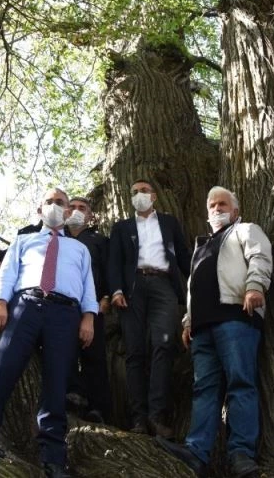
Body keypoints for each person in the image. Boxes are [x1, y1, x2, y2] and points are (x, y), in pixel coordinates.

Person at [0, 188, 97, 478]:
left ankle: (53, 458)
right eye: (48, 202)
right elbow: (7, 273)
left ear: (68, 212)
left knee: (57, 382)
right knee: (3, 370)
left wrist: (88, 319)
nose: (54, 205)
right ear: (40, 210)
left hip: (65, 314)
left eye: (59, 202)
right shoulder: (23, 241)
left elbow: (88, 287)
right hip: (26, 306)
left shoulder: (79, 249)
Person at [156, 186, 272, 478]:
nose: (217, 209)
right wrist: (187, 322)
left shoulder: (245, 229)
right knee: (204, 389)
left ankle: (241, 455)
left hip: (236, 317)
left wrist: (255, 285)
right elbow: (194, 289)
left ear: (234, 210)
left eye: (223, 204)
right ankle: (196, 453)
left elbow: (259, 256)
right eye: (212, 205)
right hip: (202, 329)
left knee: (240, 383)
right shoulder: (202, 245)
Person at [108, 179, 191, 438]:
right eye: (134, 192)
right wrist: (116, 290)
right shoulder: (121, 227)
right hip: (132, 290)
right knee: (134, 352)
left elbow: (185, 257)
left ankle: (157, 415)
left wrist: (201, 282)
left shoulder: (169, 222)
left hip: (163, 285)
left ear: (154, 196)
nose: (139, 195)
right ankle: (139, 419)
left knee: (164, 345)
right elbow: (114, 261)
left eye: (144, 191)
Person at [64, 197, 112, 423]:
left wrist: (107, 296)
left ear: (90, 215)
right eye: (72, 207)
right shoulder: (56, 236)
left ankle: (98, 407)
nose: (76, 211)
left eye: (82, 208)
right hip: (64, 302)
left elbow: (110, 269)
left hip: (93, 304)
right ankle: (72, 396)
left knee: (94, 354)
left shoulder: (99, 240)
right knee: (66, 351)